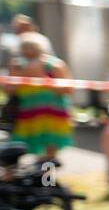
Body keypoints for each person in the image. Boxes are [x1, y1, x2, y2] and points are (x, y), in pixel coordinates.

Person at [7, 32, 73, 161]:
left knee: (49, 154)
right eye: (25, 54)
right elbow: (9, 90)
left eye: (33, 54)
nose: (29, 58)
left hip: (52, 116)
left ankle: (46, 179)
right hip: (28, 116)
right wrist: (19, 75)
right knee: (18, 150)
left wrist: (44, 79)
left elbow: (68, 89)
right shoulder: (18, 66)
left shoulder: (54, 65)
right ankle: (19, 178)